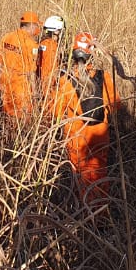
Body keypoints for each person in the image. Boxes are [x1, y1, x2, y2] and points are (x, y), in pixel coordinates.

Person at [52, 32, 120, 204]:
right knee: (99, 172)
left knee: (79, 174)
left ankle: (83, 215)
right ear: (92, 54)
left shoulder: (64, 79)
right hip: (99, 133)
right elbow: (116, 104)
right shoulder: (103, 76)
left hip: (76, 137)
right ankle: (99, 215)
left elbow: (56, 111)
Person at [0, 10, 42, 120]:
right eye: (37, 26)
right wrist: (35, 94)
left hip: (5, 80)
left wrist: (0, 80)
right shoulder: (32, 45)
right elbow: (31, 72)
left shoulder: (6, 37)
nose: (37, 29)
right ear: (31, 26)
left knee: (8, 113)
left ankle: (8, 135)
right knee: (23, 117)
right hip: (21, 85)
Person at [36, 15, 66, 109]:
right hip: (49, 88)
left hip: (39, 84)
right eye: (61, 31)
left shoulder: (42, 43)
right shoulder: (52, 46)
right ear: (56, 31)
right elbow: (53, 70)